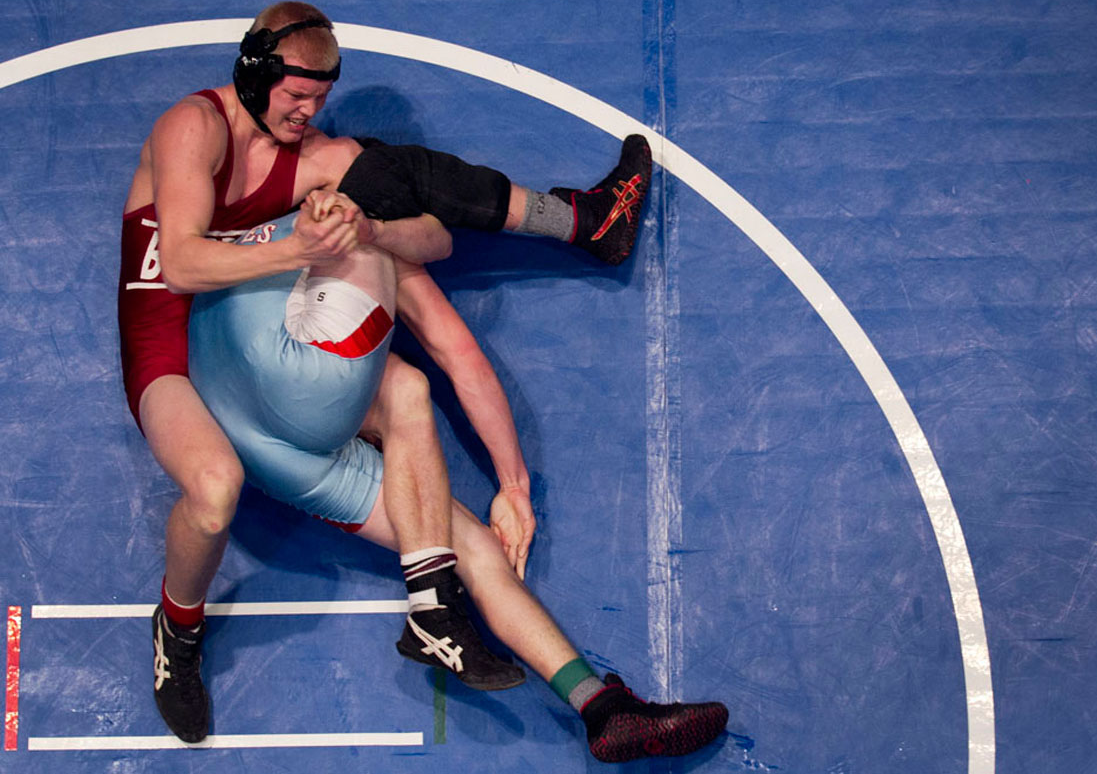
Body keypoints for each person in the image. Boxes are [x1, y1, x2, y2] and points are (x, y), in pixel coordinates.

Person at [118, 0, 652, 743]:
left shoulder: (332, 188)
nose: (308, 112)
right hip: (171, 352)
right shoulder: (197, 128)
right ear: (252, 73)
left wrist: (515, 482)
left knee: (455, 509)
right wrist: (305, 250)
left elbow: (438, 267)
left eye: (321, 99)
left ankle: (599, 705)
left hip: (281, 395)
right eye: (297, 96)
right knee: (214, 491)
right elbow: (178, 262)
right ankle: (177, 632)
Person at [186, 206, 729, 763]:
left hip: (248, 443)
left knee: (463, 546)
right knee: (406, 386)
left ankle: (601, 708)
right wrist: (513, 484)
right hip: (293, 396)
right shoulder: (354, 226)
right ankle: (431, 609)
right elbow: (460, 356)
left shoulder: (285, 222)